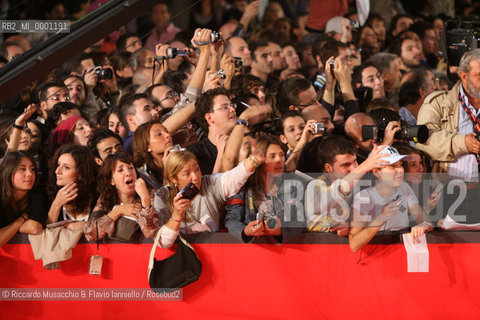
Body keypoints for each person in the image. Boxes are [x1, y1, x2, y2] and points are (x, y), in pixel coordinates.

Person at [153, 148, 264, 248]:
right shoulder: (162, 196)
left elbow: (232, 178)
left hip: (213, 252)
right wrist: (177, 214)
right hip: (183, 259)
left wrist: (253, 160)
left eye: (197, 169)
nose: (195, 177)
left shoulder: (209, 183)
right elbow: (164, 243)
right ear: (173, 179)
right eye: (187, 174)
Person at [349, 146, 433, 252]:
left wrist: (424, 225)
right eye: (393, 166)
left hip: (401, 254)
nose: (400, 170)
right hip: (374, 259)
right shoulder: (363, 197)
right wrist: (381, 218)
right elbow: (354, 244)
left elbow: (425, 221)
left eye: (400, 165)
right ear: (376, 172)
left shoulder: (405, 188)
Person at [84, 152, 159, 241]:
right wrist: (118, 211)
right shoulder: (105, 199)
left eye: (131, 168)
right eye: (120, 170)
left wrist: (145, 200)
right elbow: (90, 234)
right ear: (111, 180)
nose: (128, 173)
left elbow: (149, 232)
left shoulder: (149, 195)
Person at [0, 151, 46, 247]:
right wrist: (22, 219)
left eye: (32, 169)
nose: (30, 174)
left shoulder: (37, 194)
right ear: (9, 171)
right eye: (22, 169)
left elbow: (34, 227)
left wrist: (7, 231)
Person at [46, 145, 97, 228]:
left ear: (81, 173)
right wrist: (56, 204)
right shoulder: (47, 196)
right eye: (58, 165)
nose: (57, 171)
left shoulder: (97, 197)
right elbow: (45, 233)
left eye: (66, 167)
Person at [133, 119, 173, 190]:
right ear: (147, 146)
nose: (167, 135)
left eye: (166, 131)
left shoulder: (179, 156)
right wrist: (168, 170)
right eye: (159, 134)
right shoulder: (142, 176)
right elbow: (163, 198)